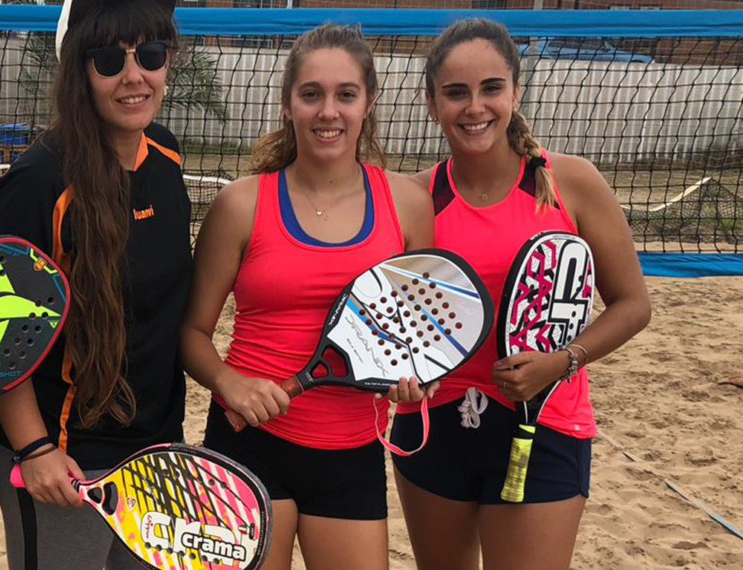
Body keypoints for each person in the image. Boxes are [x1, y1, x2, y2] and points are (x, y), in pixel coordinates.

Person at [387, 18, 652, 570]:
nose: (474, 107)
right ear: (432, 103)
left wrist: (561, 360)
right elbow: (394, 321)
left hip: (545, 418)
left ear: (516, 91)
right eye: (455, 92)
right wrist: (396, 378)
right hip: (435, 421)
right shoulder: (414, 197)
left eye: (491, 88)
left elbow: (633, 304)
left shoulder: (571, 183)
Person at [180, 23, 434, 570]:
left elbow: (417, 341)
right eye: (311, 94)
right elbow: (191, 333)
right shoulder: (241, 204)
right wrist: (229, 381)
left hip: (352, 451)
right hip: (247, 442)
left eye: (346, 94)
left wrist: (415, 385)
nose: (328, 112)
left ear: (368, 102)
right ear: (288, 102)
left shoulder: (407, 205)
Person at [0, 1, 191, 569]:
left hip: (157, 451)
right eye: (109, 59)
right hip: (67, 459)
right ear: (78, 69)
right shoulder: (38, 183)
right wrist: (35, 448)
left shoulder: (166, 158)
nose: (134, 76)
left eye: (150, 54)